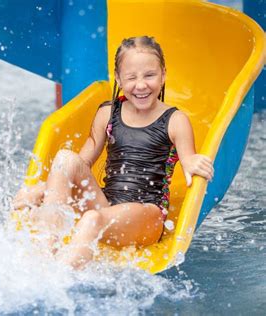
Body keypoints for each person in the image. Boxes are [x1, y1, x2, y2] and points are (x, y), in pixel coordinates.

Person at [12, 36, 214, 269]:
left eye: (150, 75)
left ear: (163, 74)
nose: (141, 85)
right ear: (118, 78)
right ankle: (45, 251)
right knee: (65, 158)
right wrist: (42, 190)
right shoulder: (108, 114)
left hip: (147, 215)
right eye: (131, 77)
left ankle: (58, 280)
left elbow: (188, 160)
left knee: (91, 219)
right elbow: (78, 166)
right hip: (108, 205)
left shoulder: (175, 120)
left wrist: (194, 162)